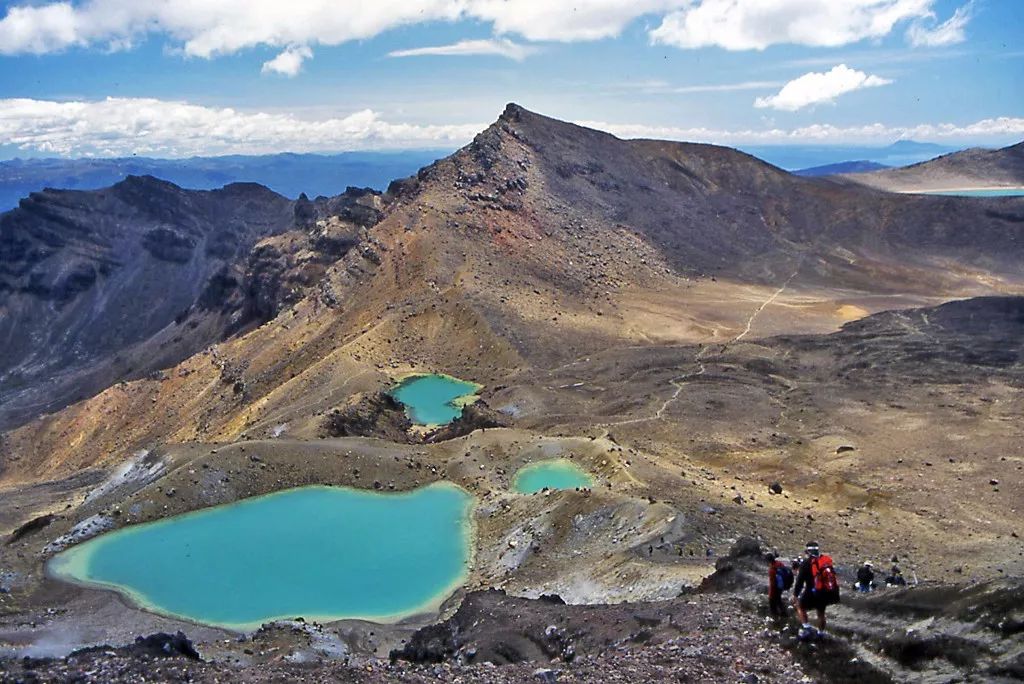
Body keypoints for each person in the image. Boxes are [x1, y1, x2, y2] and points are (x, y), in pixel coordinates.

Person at [792, 541, 840, 639]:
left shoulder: (806, 563)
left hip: (811, 591)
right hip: (825, 592)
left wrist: (795, 595)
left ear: (808, 551)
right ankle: (820, 633)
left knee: (800, 606)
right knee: (821, 613)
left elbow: (800, 581)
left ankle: (807, 628)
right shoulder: (825, 561)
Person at [766, 552, 792, 618]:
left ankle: (775, 617)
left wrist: (770, 594)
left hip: (775, 588)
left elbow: (772, 583)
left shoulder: (772, 569)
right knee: (778, 600)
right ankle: (784, 614)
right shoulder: (779, 564)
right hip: (781, 586)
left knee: (773, 603)